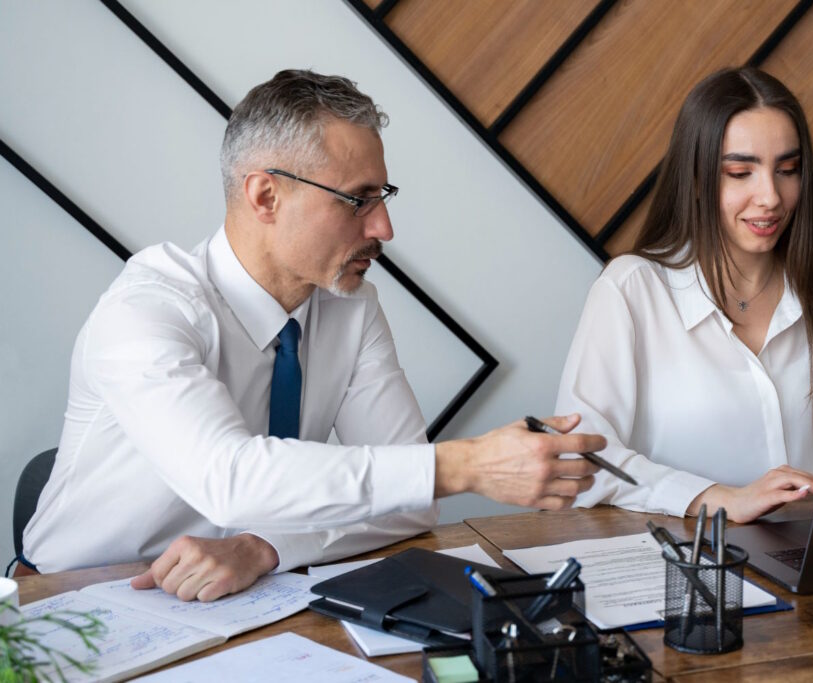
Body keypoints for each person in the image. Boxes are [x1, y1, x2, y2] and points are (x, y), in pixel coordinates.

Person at [19, 70, 603, 600]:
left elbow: (405, 504)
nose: (384, 227)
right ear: (266, 196)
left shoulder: (352, 306)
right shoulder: (147, 310)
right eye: (358, 199)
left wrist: (265, 546)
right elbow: (228, 478)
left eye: (383, 196)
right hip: (70, 605)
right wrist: (465, 464)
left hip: (233, 604)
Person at [555, 67, 813, 523]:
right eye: (740, 173)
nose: (770, 196)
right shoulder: (633, 290)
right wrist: (720, 498)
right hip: (685, 573)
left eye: (788, 170)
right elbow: (582, 462)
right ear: (695, 180)